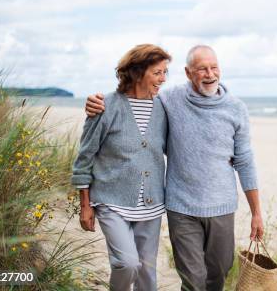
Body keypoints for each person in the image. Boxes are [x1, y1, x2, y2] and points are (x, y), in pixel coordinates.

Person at [85, 45, 264, 291]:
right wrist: (97, 102)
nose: (210, 74)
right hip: (180, 207)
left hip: (221, 205)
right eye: (202, 69)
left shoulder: (236, 108)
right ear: (189, 73)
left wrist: (256, 212)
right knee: (193, 279)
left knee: (219, 271)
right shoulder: (169, 100)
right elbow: (135, 97)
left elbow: (244, 160)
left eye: (214, 67)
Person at [72, 44, 171, 291]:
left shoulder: (164, 107)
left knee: (147, 272)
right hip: (110, 200)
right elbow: (85, 157)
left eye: (165, 72)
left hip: (151, 203)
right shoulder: (106, 106)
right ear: (138, 72)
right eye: (157, 72)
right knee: (127, 264)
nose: (163, 79)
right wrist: (85, 205)